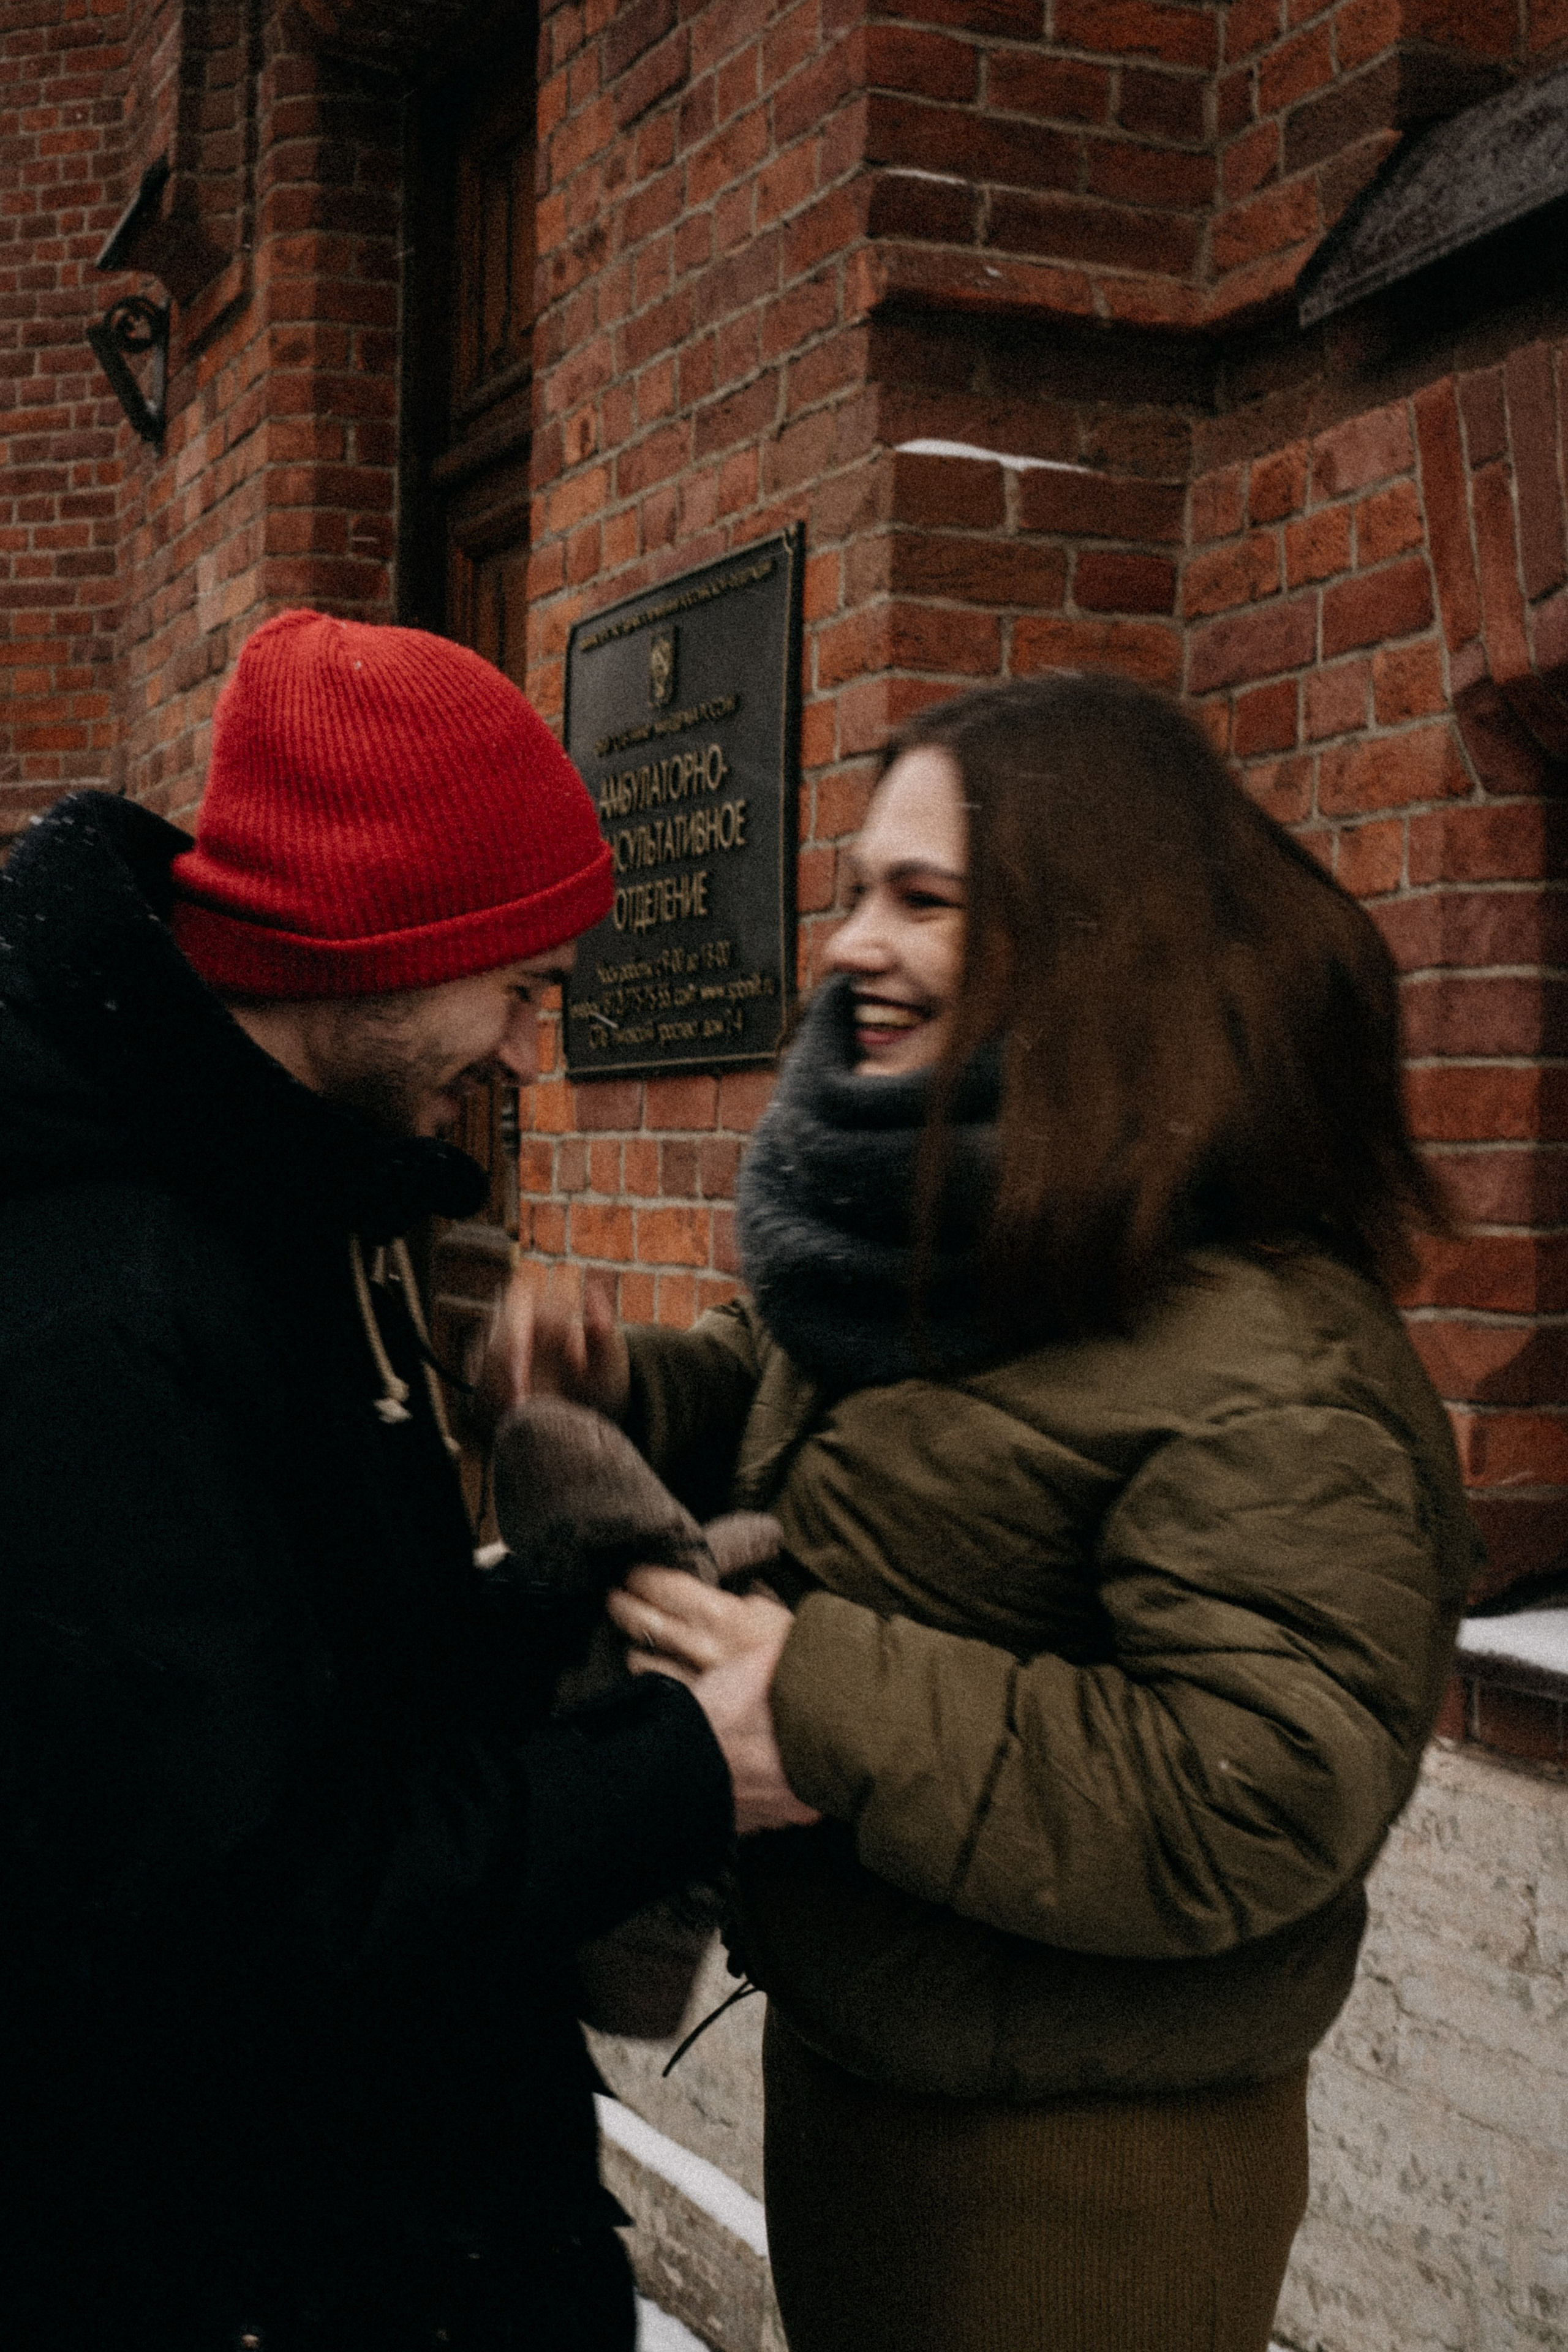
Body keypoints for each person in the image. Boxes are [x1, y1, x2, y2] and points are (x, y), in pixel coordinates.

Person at [507, 673, 1481, 2352]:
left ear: (1081, 941)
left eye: (922, 900)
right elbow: (794, 1388)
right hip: (876, 2072)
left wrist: (813, 1694)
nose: (848, 946)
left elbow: (1257, 1786)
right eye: (857, 891)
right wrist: (615, 1388)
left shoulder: (1267, 1353)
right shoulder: (960, 1212)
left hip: (1083, 2167)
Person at [0, 609, 786, 2352]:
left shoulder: (275, 1201)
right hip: (274, 2269)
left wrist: (560, 1614)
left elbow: (310, 1689)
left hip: (406, 2228)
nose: (529, 1054)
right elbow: (245, 1925)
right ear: (367, 947)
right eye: (519, 988)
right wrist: (682, 1773)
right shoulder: (102, 1312)